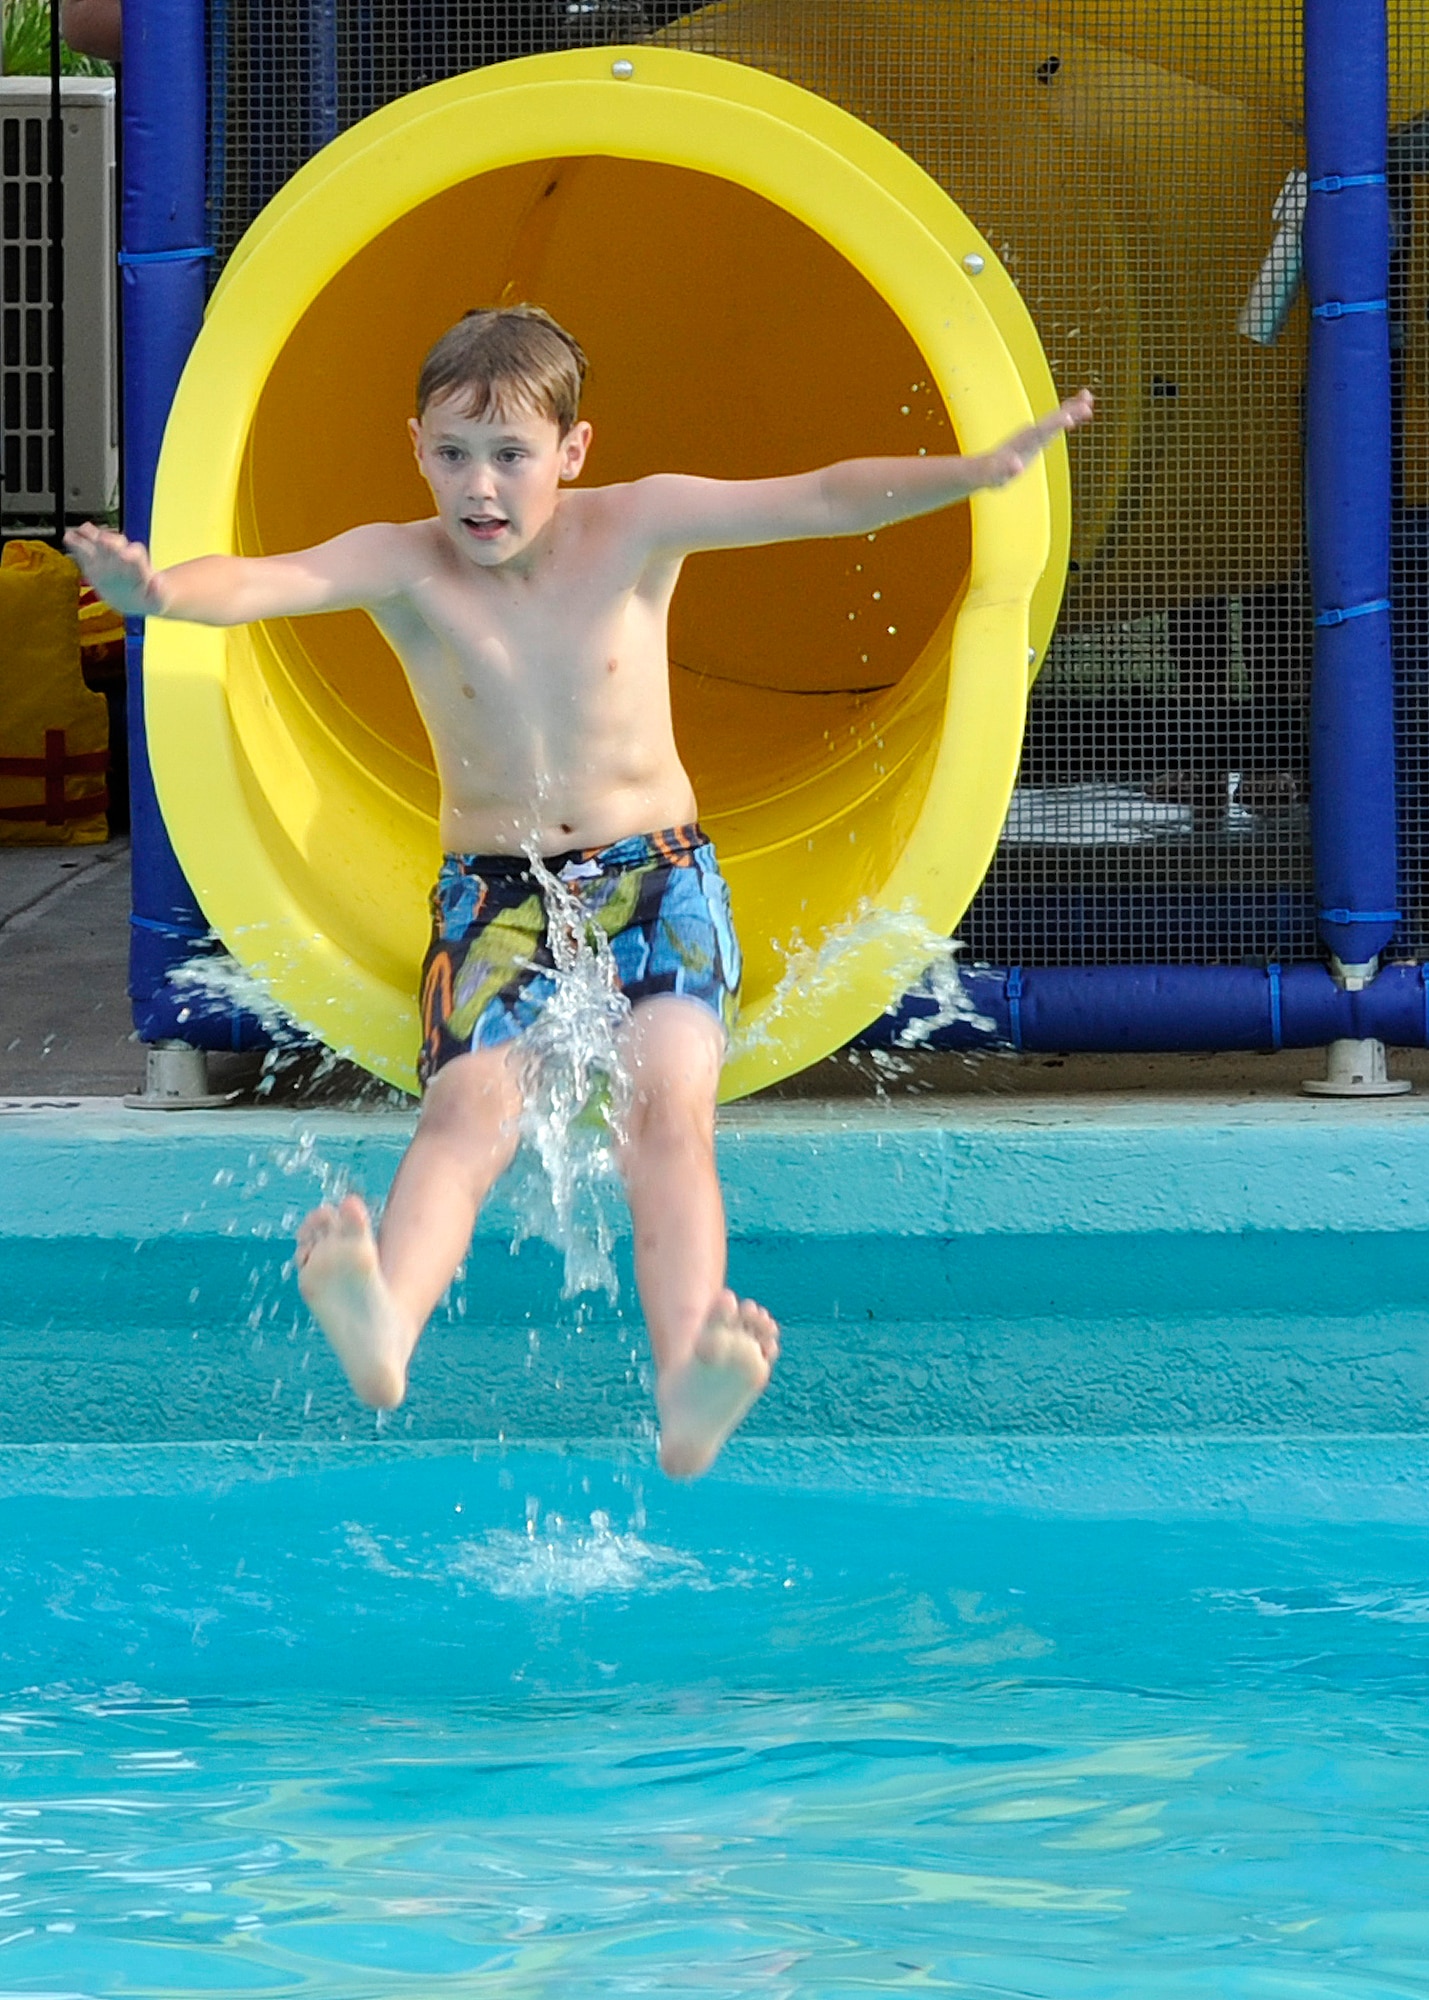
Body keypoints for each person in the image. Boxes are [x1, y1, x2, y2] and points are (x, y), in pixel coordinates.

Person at [68, 306, 1092, 1478]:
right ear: (415, 449)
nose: (480, 485)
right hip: (494, 898)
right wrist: (159, 590)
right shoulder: (405, 563)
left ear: (572, 450)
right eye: (453, 453)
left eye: (510, 453)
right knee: (467, 1112)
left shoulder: (635, 525)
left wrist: (973, 472)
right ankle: (387, 1323)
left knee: (668, 1113)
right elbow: (269, 578)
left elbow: (816, 497)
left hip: (659, 881)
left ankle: (688, 1377)